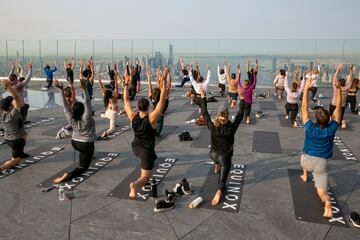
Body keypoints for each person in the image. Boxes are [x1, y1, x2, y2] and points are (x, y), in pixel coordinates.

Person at [300, 69, 342, 219]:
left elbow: (304, 108)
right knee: (322, 193)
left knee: (303, 155)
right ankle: (327, 203)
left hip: (306, 160)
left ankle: (305, 175)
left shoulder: (310, 127)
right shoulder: (331, 129)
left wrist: (305, 88)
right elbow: (338, 111)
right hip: (321, 164)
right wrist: (339, 92)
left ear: (317, 119)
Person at [124, 65, 169, 199]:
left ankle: (144, 168)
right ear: (148, 106)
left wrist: (125, 86)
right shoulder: (151, 119)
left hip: (135, 147)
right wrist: (164, 81)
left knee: (148, 163)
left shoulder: (133, 116)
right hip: (145, 150)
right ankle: (134, 186)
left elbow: (126, 101)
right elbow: (161, 101)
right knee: (145, 178)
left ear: (138, 107)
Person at [199, 84, 244, 205]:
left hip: (212, 154)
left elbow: (205, 114)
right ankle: (218, 193)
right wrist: (242, 99)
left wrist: (203, 97)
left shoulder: (213, 127)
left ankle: (216, 165)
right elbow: (240, 115)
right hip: (225, 158)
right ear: (228, 116)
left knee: (217, 157)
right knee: (222, 181)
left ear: (217, 116)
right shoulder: (231, 128)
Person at [53, 77, 96, 183]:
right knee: (83, 168)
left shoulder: (71, 118)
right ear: (83, 111)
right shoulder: (87, 118)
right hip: (86, 144)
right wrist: (84, 88)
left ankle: (86, 155)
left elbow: (65, 106)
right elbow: (87, 102)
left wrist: (60, 89)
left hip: (75, 142)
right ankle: (68, 175)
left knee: (85, 152)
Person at [0, 79, 29, 171]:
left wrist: (6, 87)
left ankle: (21, 153)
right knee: (16, 160)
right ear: (10, 107)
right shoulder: (13, 114)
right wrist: (8, 87)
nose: (13, 102)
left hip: (8, 139)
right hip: (16, 141)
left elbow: (14, 100)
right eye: (11, 102)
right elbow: (16, 98)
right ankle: (2, 167)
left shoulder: (3, 113)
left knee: (24, 135)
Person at [147, 68, 171, 136]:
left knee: (152, 132)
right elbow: (165, 87)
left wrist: (149, 79)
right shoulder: (163, 101)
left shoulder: (153, 99)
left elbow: (150, 88)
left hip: (153, 115)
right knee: (157, 133)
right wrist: (165, 77)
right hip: (158, 117)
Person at [329, 64, 353, 129]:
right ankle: (342, 122)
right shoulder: (347, 88)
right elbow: (350, 80)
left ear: (339, 83)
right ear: (345, 83)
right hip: (341, 105)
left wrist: (337, 70)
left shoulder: (336, 88)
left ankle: (331, 119)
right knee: (339, 118)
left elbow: (334, 78)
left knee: (331, 115)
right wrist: (351, 70)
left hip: (333, 104)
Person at [98, 65, 119, 139]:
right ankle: (106, 133)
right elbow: (116, 86)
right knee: (112, 129)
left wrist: (99, 81)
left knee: (109, 117)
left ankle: (103, 115)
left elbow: (102, 88)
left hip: (108, 112)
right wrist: (115, 78)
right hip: (113, 114)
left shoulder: (106, 97)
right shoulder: (115, 96)